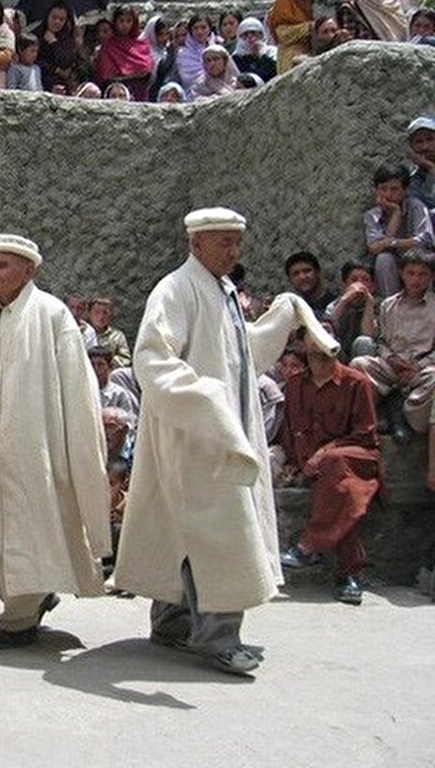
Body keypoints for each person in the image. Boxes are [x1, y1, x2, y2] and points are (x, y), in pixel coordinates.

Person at [114, 207, 340, 676]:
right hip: (195, 434)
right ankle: (219, 638)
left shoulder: (224, 291)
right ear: (196, 243)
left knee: (186, 531)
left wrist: (279, 321)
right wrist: (206, 398)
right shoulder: (174, 289)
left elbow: (241, 356)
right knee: (220, 535)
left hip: (223, 431)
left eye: (237, 243)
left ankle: (172, 624)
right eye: (224, 243)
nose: (234, 252)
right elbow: (152, 359)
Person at [0, 234, 110, 647]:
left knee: (29, 529)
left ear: (29, 270)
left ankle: (20, 616)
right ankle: (31, 600)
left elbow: (78, 389)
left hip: (37, 449)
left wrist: (78, 442)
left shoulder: (52, 315)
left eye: (3, 265)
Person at [277, 330, 382, 605]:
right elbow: (290, 432)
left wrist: (325, 452)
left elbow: (366, 435)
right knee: (346, 493)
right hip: (318, 467)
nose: (319, 341)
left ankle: (308, 545)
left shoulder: (356, 382)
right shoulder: (295, 385)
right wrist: (293, 463)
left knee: (336, 466)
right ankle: (349, 575)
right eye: (313, 335)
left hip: (354, 457)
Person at [350, 250, 435, 439]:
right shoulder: (388, 305)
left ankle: (406, 415)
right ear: (401, 273)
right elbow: (381, 341)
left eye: (423, 274)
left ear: (431, 277)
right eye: (411, 273)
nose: (416, 279)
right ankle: (376, 413)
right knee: (359, 364)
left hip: (422, 370)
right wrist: (391, 359)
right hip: (391, 366)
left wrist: (417, 367)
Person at [363, 164, 433, 297]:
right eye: (383, 189)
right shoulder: (372, 215)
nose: (388, 194)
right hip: (394, 263)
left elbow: (425, 241)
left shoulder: (415, 206)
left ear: (405, 190)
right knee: (383, 259)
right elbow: (375, 248)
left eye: (394, 189)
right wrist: (396, 214)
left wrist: (392, 243)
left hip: (417, 259)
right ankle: (390, 304)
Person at [94, 5, 154, 101]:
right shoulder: (109, 46)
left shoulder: (141, 44)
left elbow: (147, 70)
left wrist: (126, 75)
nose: (125, 25)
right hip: (116, 95)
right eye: (121, 21)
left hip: (138, 93)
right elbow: (106, 75)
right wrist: (132, 75)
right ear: (115, 23)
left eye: (129, 21)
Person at [267, 0, 313, 74]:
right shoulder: (283, 1)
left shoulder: (310, 0)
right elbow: (282, 34)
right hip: (290, 58)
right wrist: (309, 27)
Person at [85, 297, 130, 367]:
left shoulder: (117, 336)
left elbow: (125, 358)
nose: (101, 316)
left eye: (105, 313)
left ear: (111, 315)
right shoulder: (83, 333)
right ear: (89, 314)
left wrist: (109, 362)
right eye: (97, 312)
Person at [231, 18, 277, 83]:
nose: (250, 37)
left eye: (253, 33)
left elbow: (274, 72)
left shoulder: (272, 51)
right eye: (245, 34)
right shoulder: (236, 58)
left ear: (261, 35)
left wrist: (261, 54)